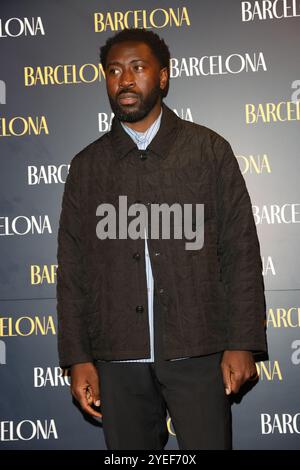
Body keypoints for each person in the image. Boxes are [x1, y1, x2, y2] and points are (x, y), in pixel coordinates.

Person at [56, 28, 268, 450]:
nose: (125, 80)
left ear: (164, 77)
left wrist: (242, 342)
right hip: (118, 359)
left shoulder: (208, 151)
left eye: (138, 67)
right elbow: (73, 270)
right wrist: (78, 358)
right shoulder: (87, 167)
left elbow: (241, 251)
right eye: (114, 71)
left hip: (200, 351)